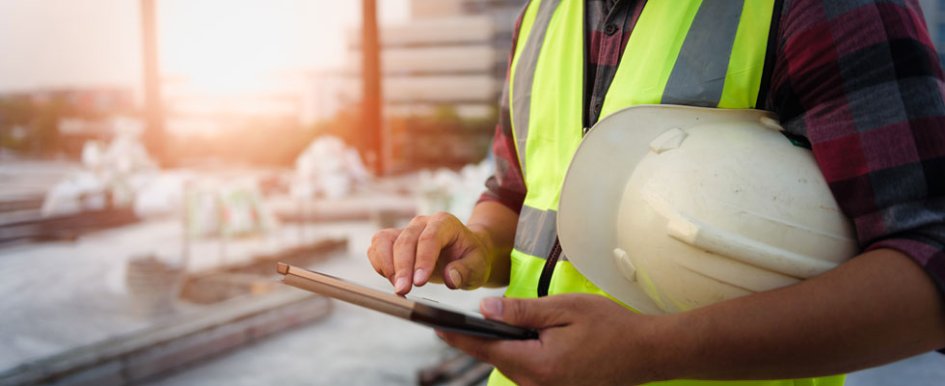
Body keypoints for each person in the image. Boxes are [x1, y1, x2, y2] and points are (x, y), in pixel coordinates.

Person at [367, 0, 945, 385]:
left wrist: (656, 349)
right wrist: (475, 244)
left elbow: (929, 275)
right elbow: (516, 195)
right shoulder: (542, 15)